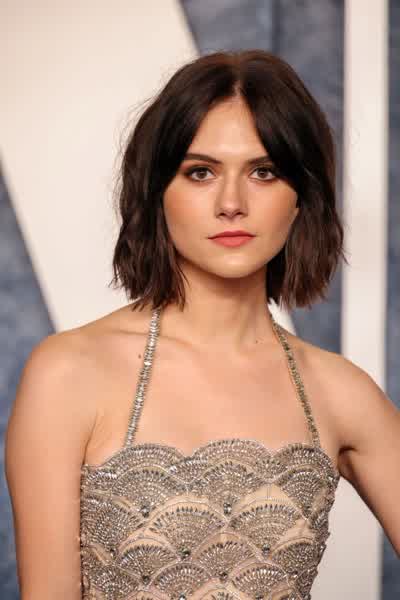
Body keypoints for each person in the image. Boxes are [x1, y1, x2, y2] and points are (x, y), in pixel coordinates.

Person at [4, 49, 400, 600]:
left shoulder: (339, 391)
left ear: (301, 198)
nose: (231, 203)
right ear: (158, 192)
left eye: (263, 172)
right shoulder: (69, 372)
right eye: (200, 172)